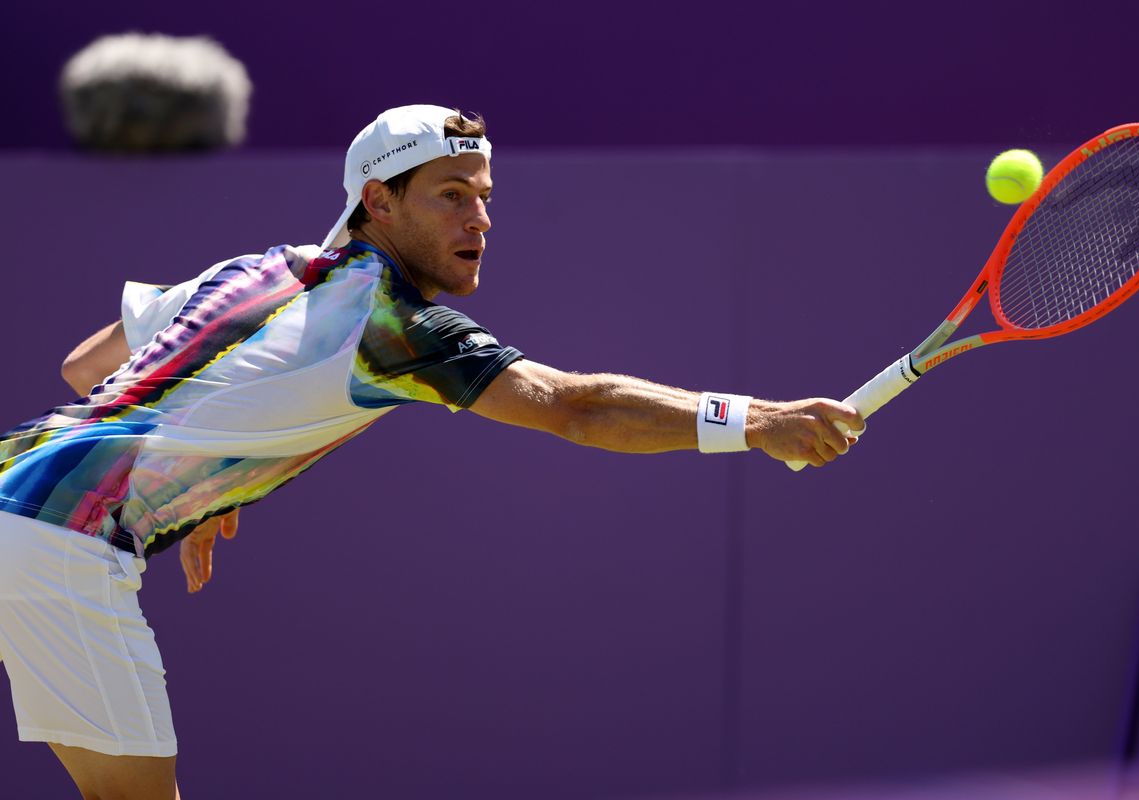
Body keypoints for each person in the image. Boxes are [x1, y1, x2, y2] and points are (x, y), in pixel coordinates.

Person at [0, 104, 863, 799]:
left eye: (485, 196)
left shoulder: (254, 269)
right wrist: (756, 418)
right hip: (61, 544)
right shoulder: (397, 326)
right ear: (379, 202)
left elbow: (88, 367)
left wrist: (199, 476)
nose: (479, 218)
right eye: (451, 194)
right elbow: (574, 407)